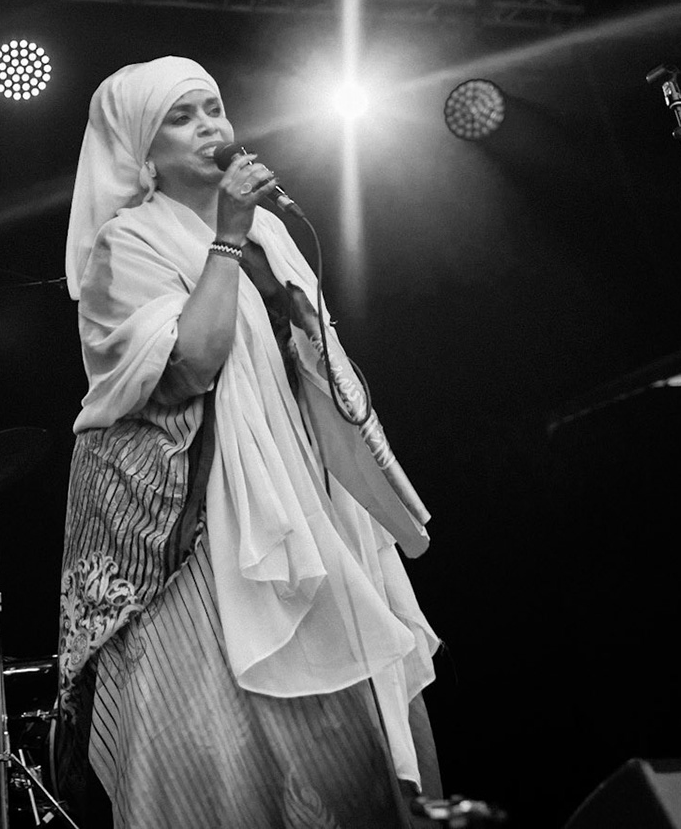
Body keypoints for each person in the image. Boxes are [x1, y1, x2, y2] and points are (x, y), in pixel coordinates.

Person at [56, 57, 440, 828]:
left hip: (302, 490)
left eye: (213, 108)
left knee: (378, 718)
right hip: (201, 522)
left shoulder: (271, 230)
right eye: (182, 117)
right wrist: (226, 237)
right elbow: (191, 366)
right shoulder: (125, 247)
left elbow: (320, 365)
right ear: (141, 150)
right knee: (221, 747)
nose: (210, 127)